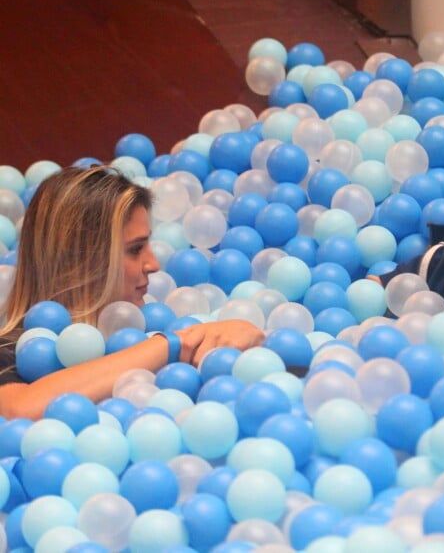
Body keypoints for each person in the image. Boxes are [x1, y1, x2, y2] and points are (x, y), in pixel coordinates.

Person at [0, 166, 264, 420]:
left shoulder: (153, 326)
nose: (153, 264)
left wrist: (242, 333)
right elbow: (19, 410)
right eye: (135, 249)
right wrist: (170, 345)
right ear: (78, 261)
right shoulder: (12, 350)